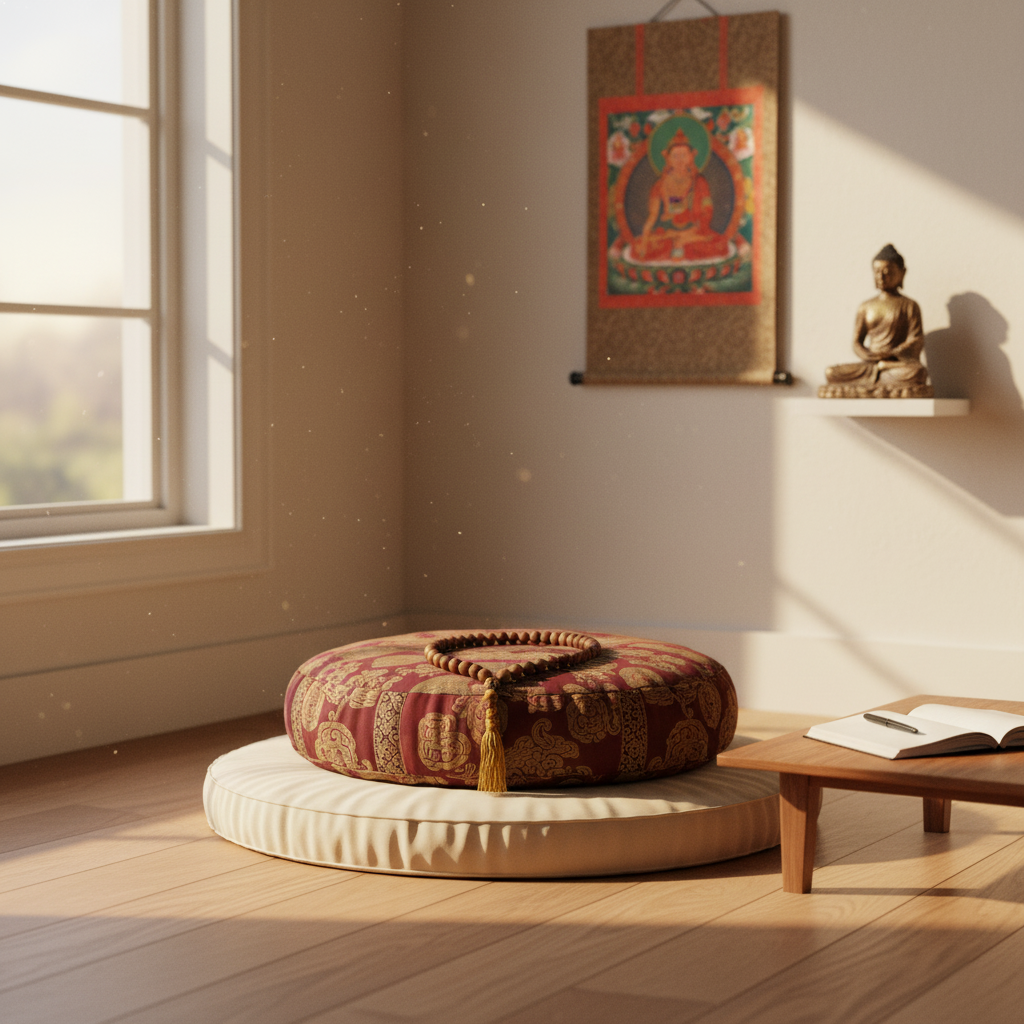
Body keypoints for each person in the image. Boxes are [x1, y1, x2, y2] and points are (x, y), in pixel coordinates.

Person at [820, 244, 933, 397]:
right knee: (831, 373)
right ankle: (879, 372)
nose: (881, 277)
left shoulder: (909, 305)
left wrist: (892, 353)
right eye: (877, 272)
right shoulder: (866, 307)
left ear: (902, 273)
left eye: (888, 272)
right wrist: (867, 355)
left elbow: (916, 339)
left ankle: (883, 369)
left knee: (918, 372)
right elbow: (856, 342)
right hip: (870, 365)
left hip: (894, 364)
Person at [633, 130, 727, 262]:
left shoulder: (699, 182)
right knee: (638, 246)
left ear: (691, 157)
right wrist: (644, 241)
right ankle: (678, 245)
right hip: (668, 232)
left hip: (693, 232)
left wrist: (687, 235)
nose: (680, 160)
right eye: (675, 156)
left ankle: (681, 244)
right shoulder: (660, 185)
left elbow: (707, 212)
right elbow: (652, 217)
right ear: (668, 158)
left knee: (720, 244)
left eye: (683, 155)